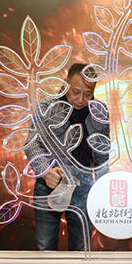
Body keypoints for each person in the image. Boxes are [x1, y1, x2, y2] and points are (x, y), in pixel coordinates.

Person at [25, 63, 109, 250]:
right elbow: (32, 143)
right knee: (45, 248)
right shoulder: (47, 106)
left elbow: (102, 153)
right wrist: (46, 171)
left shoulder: (99, 111)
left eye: (88, 94)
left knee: (82, 249)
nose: (81, 99)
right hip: (49, 184)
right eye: (76, 92)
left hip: (84, 185)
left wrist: (103, 185)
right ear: (66, 83)